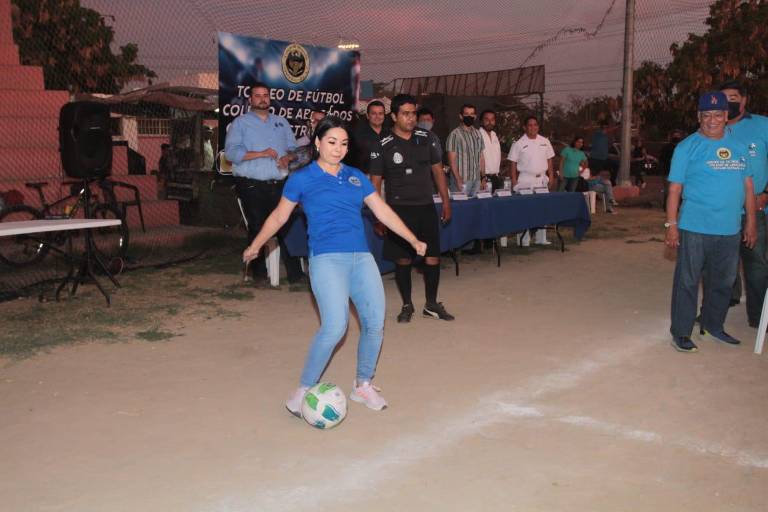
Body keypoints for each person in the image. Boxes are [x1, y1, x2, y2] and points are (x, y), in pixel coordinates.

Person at [242, 116, 428, 415]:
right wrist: (255, 245)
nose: (338, 148)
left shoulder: (356, 176)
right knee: (334, 327)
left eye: (343, 143)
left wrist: (412, 238)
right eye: (331, 142)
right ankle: (303, 389)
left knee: (374, 323)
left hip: (361, 258)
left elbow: (381, 210)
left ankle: (363, 384)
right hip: (327, 260)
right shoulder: (301, 178)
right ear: (317, 143)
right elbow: (279, 217)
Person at [666, 91, 757, 353]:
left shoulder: (739, 147)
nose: (712, 120)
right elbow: (674, 190)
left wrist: (750, 222)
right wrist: (671, 225)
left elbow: (748, 187)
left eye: (718, 115)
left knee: (724, 281)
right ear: (699, 117)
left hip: (730, 227)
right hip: (695, 227)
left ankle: (712, 325)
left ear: (727, 116)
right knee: (688, 281)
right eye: (706, 115)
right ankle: (681, 332)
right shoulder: (687, 147)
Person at [369, 94, 454, 323]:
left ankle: (432, 304)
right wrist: (379, 216)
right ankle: (407, 305)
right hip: (398, 211)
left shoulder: (428, 138)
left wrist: (445, 202)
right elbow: (375, 182)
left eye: (413, 113)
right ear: (394, 116)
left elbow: (438, 172)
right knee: (403, 260)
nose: (410, 118)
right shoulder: (382, 145)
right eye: (405, 113)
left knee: (433, 257)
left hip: (426, 207)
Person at [224, 81, 306, 288]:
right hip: (251, 184)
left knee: (287, 225)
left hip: (278, 182)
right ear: (250, 99)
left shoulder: (281, 122)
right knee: (258, 226)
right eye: (258, 95)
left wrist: (287, 158)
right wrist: (261, 153)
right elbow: (232, 154)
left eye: (266, 95)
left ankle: (296, 274)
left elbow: (294, 150)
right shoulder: (241, 123)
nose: (262, 98)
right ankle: (258, 274)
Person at [719, 80, 768, 328]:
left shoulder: (763, 125)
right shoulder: (713, 128)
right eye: (724, 97)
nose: (729, 101)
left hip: (755, 209)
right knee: (717, 263)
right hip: (721, 209)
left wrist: (766, 193)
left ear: (744, 99)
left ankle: (759, 318)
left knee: (756, 264)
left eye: (734, 96)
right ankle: (716, 310)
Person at [507, 115, 555, 246]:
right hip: (525, 179)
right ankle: (524, 240)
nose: (533, 127)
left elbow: (550, 160)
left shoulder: (545, 141)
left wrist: (551, 176)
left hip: (542, 179)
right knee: (525, 210)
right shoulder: (518, 143)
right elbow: (512, 163)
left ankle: (541, 238)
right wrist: (514, 180)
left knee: (542, 209)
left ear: (538, 126)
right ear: (524, 127)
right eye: (530, 125)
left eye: (535, 125)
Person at [446, 104, 485, 196]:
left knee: (476, 209)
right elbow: (452, 161)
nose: (469, 116)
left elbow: (481, 158)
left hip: (477, 180)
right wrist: (458, 179)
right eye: (466, 114)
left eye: (472, 114)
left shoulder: (478, 134)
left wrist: (483, 178)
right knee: (460, 208)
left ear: (475, 116)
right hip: (462, 180)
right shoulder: (454, 134)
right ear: (461, 116)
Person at [353, 100, 388, 174]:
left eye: (380, 113)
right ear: (368, 116)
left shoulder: (390, 134)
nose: (377, 116)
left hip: (388, 179)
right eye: (373, 113)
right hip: (366, 177)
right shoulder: (359, 135)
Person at [479, 109, 503, 191]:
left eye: (492, 119)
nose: (490, 122)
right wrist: (481, 178)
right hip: (482, 179)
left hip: (496, 178)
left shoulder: (495, 135)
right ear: (481, 121)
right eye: (487, 119)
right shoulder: (477, 135)